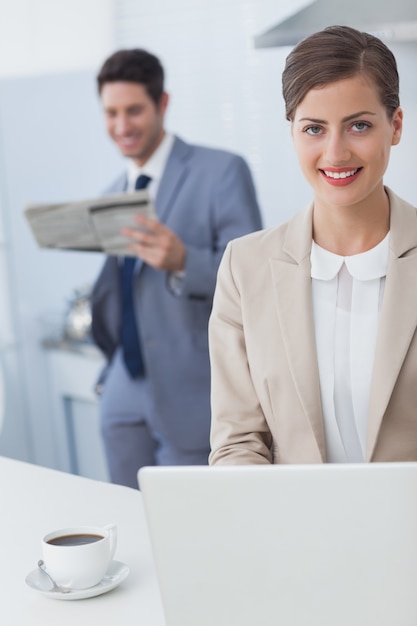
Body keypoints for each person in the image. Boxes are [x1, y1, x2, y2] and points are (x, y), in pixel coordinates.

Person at [209, 25, 417, 466]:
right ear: (292, 132)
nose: (335, 152)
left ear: (395, 126)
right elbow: (238, 443)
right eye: (314, 129)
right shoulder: (245, 269)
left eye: (358, 125)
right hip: (293, 529)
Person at [90, 48, 262, 488]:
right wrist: (110, 374)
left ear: (162, 104)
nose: (121, 126)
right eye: (111, 113)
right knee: (127, 515)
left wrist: (184, 260)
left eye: (134, 110)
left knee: (194, 531)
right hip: (123, 386)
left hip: (194, 388)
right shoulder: (112, 193)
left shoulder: (221, 171)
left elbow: (255, 278)